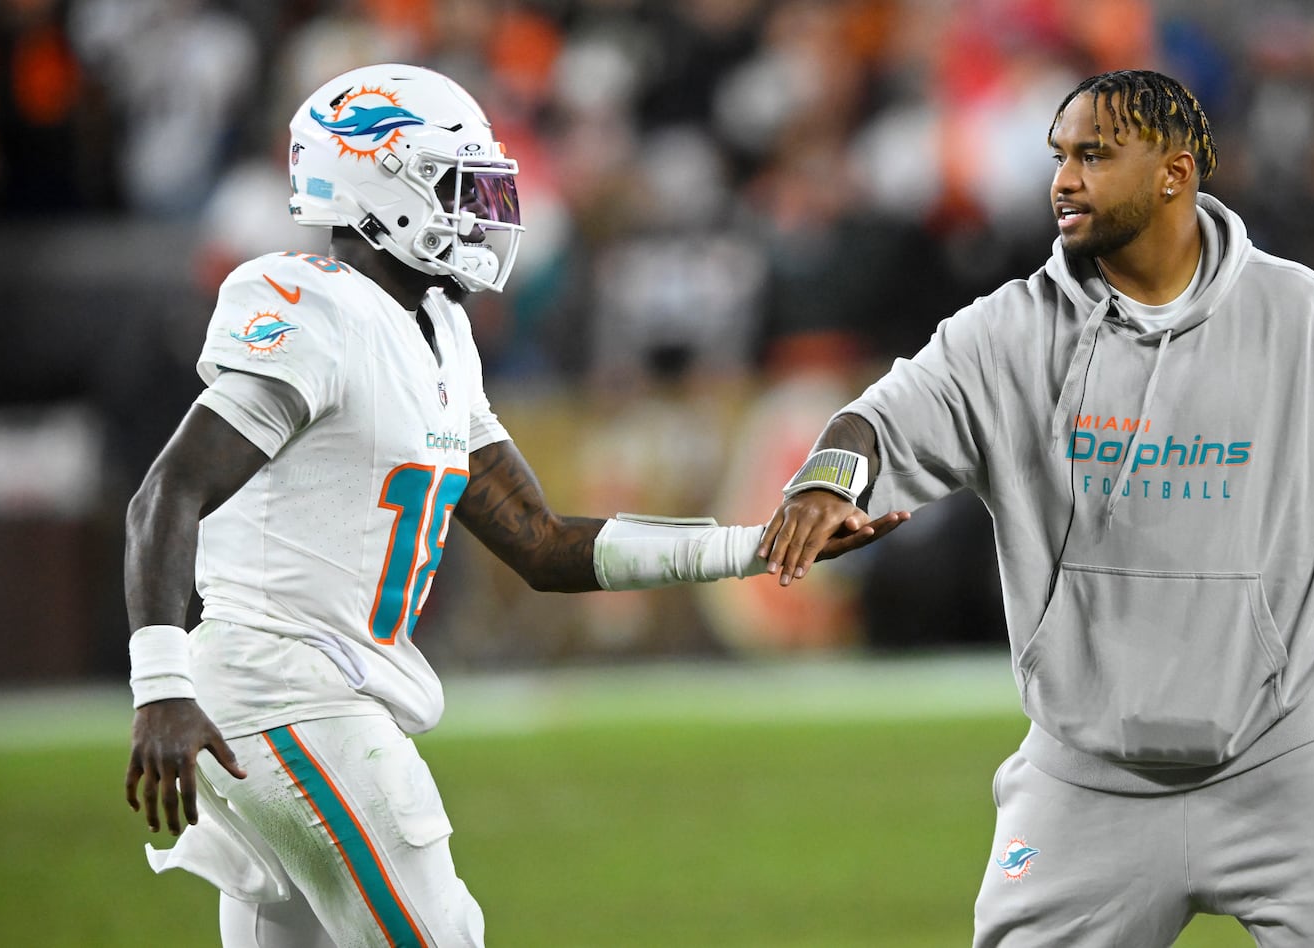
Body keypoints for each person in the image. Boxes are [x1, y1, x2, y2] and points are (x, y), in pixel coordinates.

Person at [121, 62, 901, 948]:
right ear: (379, 185)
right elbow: (167, 494)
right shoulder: (311, 310)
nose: (484, 208)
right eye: (457, 184)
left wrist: (757, 546)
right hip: (284, 689)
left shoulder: (441, 329)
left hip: (311, 693)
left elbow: (542, 543)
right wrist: (159, 685)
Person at [760, 69, 1314, 947]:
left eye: (1094, 156)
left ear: (1174, 173)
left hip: (1289, 759)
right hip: (1086, 778)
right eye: (1059, 156)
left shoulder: (1301, 316)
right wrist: (826, 477)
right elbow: (877, 416)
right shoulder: (1010, 331)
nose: (1064, 179)